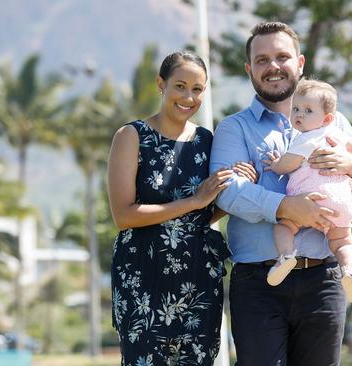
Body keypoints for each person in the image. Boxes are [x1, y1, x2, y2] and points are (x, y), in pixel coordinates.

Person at [209, 22, 352, 366]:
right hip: (259, 283)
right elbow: (228, 193)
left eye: (282, 56)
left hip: (324, 279)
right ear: (249, 69)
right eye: (262, 60)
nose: (273, 66)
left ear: (300, 63)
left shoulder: (334, 123)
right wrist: (288, 207)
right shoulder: (235, 128)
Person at [108, 51, 257, 366]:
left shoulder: (207, 140)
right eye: (180, 86)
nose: (189, 97)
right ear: (161, 84)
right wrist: (194, 201)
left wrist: (235, 190)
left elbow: (205, 211)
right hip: (141, 279)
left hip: (199, 279)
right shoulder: (131, 136)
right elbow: (124, 216)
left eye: (198, 89)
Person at [262, 79, 352, 304]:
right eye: (296, 109)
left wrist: (275, 165)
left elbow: (289, 163)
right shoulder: (338, 133)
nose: (299, 114)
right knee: (343, 241)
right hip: (341, 201)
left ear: (326, 118)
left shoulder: (308, 137)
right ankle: (348, 271)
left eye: (308, 111)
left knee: (284, 226)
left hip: (312, 197)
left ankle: (286, 257)